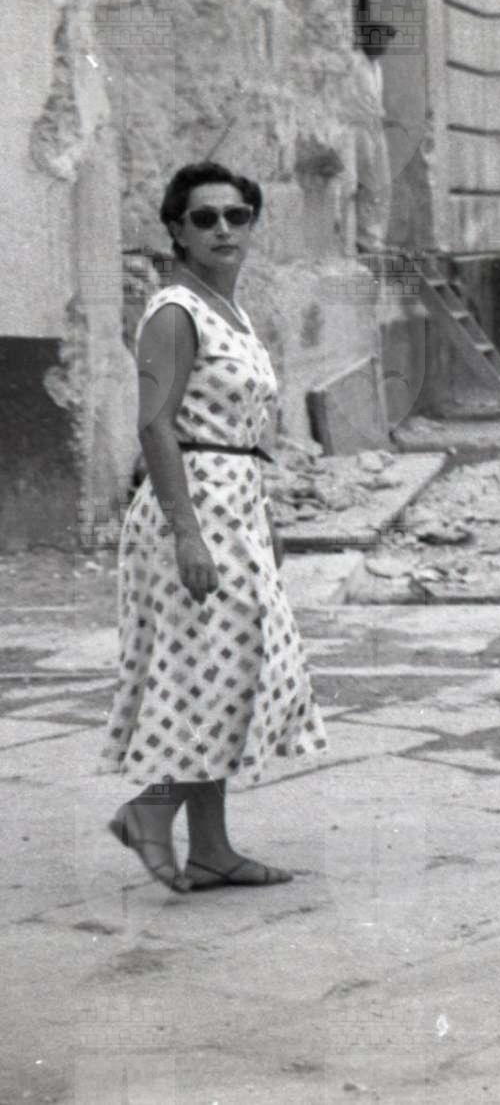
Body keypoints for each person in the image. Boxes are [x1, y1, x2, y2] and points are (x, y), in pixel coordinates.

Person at [106, 161, 329, 895]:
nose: (223, 229)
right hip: (193, 506)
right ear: (177, 230)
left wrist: (264, 515)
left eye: (237, 215)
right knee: (224, 673)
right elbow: (154, 424)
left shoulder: (230, 310)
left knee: (226, 668)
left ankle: (210, 849)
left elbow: (242, 427)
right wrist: (187, 533)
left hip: (237, 504)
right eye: (204, 218)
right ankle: (150, 810)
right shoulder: (174, 311)